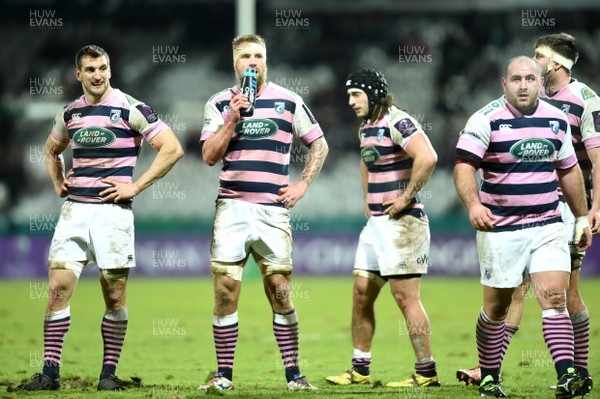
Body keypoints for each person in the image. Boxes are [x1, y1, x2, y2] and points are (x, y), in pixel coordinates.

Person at [15, 45, 184, 391]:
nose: (97, 74)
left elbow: (173, 148)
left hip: (113, 215)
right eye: (90, 69)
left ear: (110, 70)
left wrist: (135, 186)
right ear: (78, 74)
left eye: (103, 68)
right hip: (74, 212)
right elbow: (50, 150)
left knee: (115, 296)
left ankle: (107, 375)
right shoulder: (70, 114)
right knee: (57, 290)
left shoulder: (130, 108)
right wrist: (59, 182)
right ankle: (50, 374)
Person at [456, 34, 598, 396]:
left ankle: (571, 372)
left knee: (555, 294)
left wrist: (585, 213)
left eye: (531, 75)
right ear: (504, 83)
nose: (523, 84)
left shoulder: (568, 112)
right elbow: (463, 164)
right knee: (501, 303)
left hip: (552, 218)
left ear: (544, 75)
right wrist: (474, 204)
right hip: (502, 227)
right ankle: (489, 372)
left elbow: (574, 168)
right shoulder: (486, 118)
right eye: (516, 78)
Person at [198, 34, 328, 392]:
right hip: (232, 208)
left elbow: (319, 143)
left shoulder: (289, 101)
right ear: (235, 63)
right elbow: (209, 156)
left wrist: (302, 184)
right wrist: (231, 120)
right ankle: (223, 376)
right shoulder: (219, 102)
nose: (252, 61)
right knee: (226, 291)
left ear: (265, 61)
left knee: (280, 291)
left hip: (272, 210)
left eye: (258, 55)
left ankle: (294, 376)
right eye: (245, 56)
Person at [325, 69, 439, 388]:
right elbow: (366, 161)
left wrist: (405, 197)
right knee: (361, 294)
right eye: (349, 95)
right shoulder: (367, 127)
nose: (350, 101)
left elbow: (428, 157)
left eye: (355, 95)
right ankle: (360, 369)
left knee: (405, 298)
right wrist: (367, 198)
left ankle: (426, 372)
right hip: (376, 225)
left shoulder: (397, 121)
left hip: (403, 224)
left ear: (373, 94)